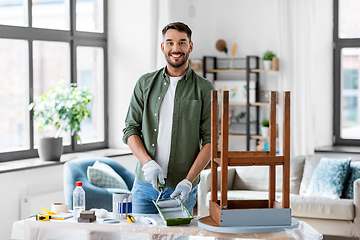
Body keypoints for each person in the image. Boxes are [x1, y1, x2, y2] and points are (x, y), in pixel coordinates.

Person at [122, 22, 215, 214]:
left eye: (182, 42)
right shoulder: (144, 84)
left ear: (190, 46)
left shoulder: (205, 89)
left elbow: (211, 141)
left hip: (182, 189)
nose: (176, 48)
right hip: (144, 188)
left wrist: (189, 181)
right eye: (170, 42)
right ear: (163, 46)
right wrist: (147, 163)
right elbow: (130, 129)